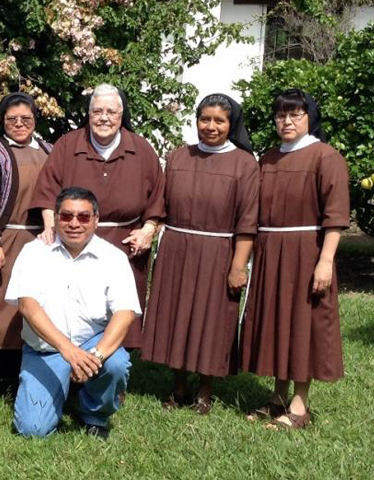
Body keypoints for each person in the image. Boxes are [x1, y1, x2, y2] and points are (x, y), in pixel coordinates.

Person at [141, 94, 259, 414]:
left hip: (219, 250)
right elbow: (159, 206)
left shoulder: (245, 164)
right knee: (175, 315)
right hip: (177, 248)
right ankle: (178, 386)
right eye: (205, 119)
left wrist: (238, 266)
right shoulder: (178, 157)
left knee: (212, 319)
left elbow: (248, 222)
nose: (210, 126)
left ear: (231, 124)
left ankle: (205, 390)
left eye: (219, 121)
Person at [240, 88, 350, 429]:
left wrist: (325, 260)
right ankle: (277, 398)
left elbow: (335, 216)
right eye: (281, 115)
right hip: (272, 253)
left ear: (309, 118)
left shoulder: (325, 157)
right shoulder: (269, 158)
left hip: (307, 252)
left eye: (295, 115)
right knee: (276, 322)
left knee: (302, 325)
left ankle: (300, 407)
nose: (286, 121)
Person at [31, 84, 165, 349]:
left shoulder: (141, 149)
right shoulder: (68, 145)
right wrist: (50, 227)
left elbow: (158, 200)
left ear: (122, 114)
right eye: (98, 111)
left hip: (123, 242)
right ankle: (69, 364)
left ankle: (114, 368)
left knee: (118, 306)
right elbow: (47, 192)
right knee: (73, 306)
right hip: (74, 241)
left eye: (112, 112)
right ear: (89, 114)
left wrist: (148, 230)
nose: (104, 118)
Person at [6, 187, 141, 439]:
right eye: (66, 216)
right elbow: (27, 306)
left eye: (83, 217)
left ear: (96, 220)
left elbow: (125, 313)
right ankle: (63, 387)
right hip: (46, 349)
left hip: (93, 344)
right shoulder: (33, 253)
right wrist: (69, 352)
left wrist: (95, 358)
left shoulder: (113, 258)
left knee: (117, 363)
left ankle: (95, 414)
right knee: (32, 430)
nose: (74, 223)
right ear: (55, 218)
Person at [0, 92, 53, 398]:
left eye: (26, 119)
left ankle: (32, 369)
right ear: (2, 121)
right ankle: (6, 377)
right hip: (6, 238)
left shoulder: (49, 150)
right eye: (11, 119)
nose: (19, 124)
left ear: (35, 120)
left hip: (42, 239)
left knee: (37, 305)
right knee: (4, 307)